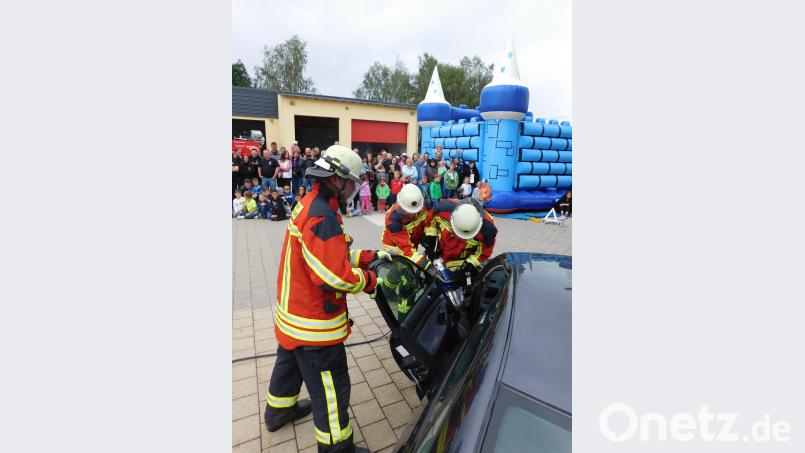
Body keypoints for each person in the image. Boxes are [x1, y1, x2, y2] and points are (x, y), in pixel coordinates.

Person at [264, 145, 390, 453]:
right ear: (338, 179)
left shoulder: (314, 203)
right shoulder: (322, 215)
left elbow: (330, 256)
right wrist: (372, 280)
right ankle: (337, 449)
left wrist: (368, 256)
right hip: (314, 326)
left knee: (289, 364)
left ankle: (278, 411)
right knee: (331, 391)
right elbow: (334, 276)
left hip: (294, 316)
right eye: (354, 182)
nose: (356, 187)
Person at [422, 198, 498, 282]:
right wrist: (430, 242)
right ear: (452, 219)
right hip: (440, 256)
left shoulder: (488, 230)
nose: (460, 238)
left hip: (461, 265)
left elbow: (482, 254)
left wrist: (468, 269)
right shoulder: (442, 209)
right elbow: (430, 223)